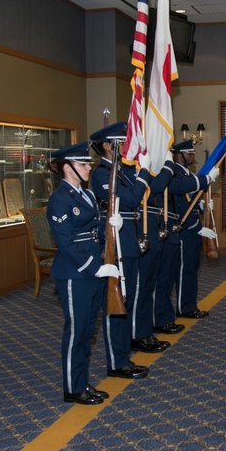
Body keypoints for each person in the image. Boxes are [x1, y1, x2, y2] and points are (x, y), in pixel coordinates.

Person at [46, 142, 116, 405]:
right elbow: (65, 244)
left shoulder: (84, 194)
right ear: (67, 167)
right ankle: (72, 389)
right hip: (76, 274)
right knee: (76, 332)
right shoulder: (60, 198)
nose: (89, 167)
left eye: (88, 163)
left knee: (87, 332)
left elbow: (94, 231)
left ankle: (81, 381)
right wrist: (95, 267)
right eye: (83, 163)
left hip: (92, 271)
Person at [90, 123, 158, 379]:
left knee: (126, 302)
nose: (128, 146)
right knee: (115, 303)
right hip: (115, 244)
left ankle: (122, 355)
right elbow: (129, 199)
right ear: (108, 145)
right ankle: (116, 362)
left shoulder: (121, 173)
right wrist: (143, 176)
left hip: (129, 241)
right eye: (123, 141)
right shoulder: (101, 174)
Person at [158, 140, 218, 323]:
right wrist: (205, 179)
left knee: (192, 268)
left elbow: (188, 200)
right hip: (182, 229)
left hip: (192, 228)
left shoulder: (187, 174)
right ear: (178, 155)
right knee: (184, 270)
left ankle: (190, 304)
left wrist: (201, 207)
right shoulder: (173, 173)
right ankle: (185, 307)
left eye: (192, 152)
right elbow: (180, 189)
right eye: (188, 152)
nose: (192, 155)